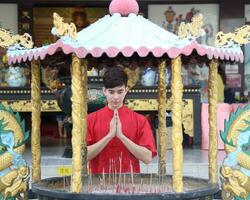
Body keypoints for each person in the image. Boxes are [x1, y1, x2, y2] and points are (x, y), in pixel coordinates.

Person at [87, 67, 157, 174]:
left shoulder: (140, 120)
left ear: (126, 90)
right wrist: (109, 136)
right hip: (98, 184)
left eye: (120, 92)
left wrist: (122, 137)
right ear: (104, 91)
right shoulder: (91, 119)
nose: (116, 97)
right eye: (111, 92)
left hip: (130, 184)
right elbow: (83, 156)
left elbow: (147, 158)